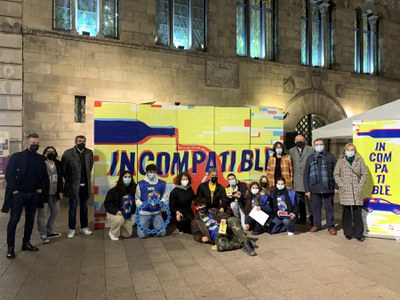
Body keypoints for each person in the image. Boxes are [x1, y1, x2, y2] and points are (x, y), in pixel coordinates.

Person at [2, 133, 47, 259]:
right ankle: (10, 247)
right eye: (33, 143)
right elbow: (9, 174)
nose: (35, 145)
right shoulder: (17, 157)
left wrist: (40, 189)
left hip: (33, 194)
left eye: (37, 143)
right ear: (27, 143)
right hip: (19, 194)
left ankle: (26, 243)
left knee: (30, 219)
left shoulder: (40, 158)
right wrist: (15, 190)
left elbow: (44, 176)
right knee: (14, 220)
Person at [191, 197, 256, 256]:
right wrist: (201, 238)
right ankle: (244, 243)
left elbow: (224, 214)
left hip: (224, 228)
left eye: (204, 205)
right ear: (196, 207)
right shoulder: (195, 221)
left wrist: (223, 218)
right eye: (200, 206)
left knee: (233, 219)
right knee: (220, 246)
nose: (203, 207)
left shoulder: (212, 211)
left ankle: (246, 245)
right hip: (217, 236)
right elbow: (196, 234)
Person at [334, 143, 369, 242]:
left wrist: (360, 185)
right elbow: (336, 174)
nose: (350, 151)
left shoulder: (359, 160)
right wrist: (341, 184)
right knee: (347, 212)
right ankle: (348, 232)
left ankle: (358, 234)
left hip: (356, 190)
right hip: (345, 190)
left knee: (357, 212)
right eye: (348, 149)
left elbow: (365, 173)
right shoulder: (341, 161)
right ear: (345, 151)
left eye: (352, 149)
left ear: (355, 150)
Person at [62, 135, 94, 239]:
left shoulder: (89, 153)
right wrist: (70, 181)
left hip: (85, 185)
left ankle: (84, 227)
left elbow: (90, 167)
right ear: (75, 142)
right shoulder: (68, 153)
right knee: (73, 207)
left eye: (84, 141)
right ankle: (71, 228)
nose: (82, 143)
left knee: (84, 207)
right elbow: (64, 169)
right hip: (73, 186)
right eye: (80, 141)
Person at [304, 138, 338, 235]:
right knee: (316, 208)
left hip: (328, 186)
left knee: (329, 208)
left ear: (324, 146)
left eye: (321, 144)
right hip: (314, 187)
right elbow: (306, 175)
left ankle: (331, 226)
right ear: (314, 146)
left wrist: (336, 186)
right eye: (317, 144)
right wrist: (307, 189)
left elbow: (336, 173)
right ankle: (316, 225)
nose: (319, 146)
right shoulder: (310, 158)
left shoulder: (330, 157)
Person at [37, 146, 63, 244]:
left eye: (53, 151)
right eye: (48, 151)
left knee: (56, 212)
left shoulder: (58, 164)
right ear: (44, 153)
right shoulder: (40, 164)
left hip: (55, 192)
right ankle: (43, 234)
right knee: (42, 214)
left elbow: (60, 178)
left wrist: (61, 190)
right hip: (44, 194)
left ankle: (49, 230)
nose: (51, 153)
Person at [135, 164, 169, 238]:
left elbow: (165, 196)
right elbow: (137, 198)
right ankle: (148, 228)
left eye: (154, 172)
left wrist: (162, 202)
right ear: (147, 172)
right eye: (150, 172)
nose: (152, 174)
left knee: (162, 233)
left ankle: (154, 229)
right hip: (144, 213)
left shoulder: (162, 183)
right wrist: (142, 204)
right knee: (142, 236)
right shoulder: (140, 184)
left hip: (156, 212)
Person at [288, 135, 314, 225]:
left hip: (308, 178)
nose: (299, 141)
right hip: (297, 180)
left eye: (301, 139)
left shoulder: (311, 149)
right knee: (300, 201)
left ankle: (313, 219)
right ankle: (302, 219)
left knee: (310, 200)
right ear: (295, 141)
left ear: (305, 140)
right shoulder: (291, 151)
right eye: (297, 140)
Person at [104, 171, 136, 241]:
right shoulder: (113, 191)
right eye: (125, 177)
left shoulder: (133, 189)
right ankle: (113, 233)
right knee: (119, 220)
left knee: (127, 235)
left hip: (127, 215)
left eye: (129, 177)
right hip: (115, 214)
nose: (127, 178)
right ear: (121, 178)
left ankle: (118, 227)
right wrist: (116, 211)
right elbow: (108, 204)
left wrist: (134, 213)